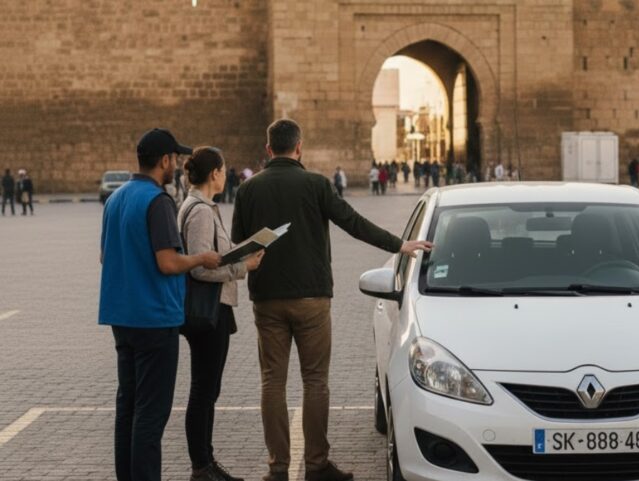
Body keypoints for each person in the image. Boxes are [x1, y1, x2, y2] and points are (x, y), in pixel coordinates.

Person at [231, 119, 432, 481]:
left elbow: (238, 242)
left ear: (268, 149)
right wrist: (399, 245)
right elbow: (352, 222)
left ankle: (277, 468)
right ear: (299, 147)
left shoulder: (248, 190)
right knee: (315, 381)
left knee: (272, 382)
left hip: (267, 299)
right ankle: (316, 464)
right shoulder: (315, 184)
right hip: (312, 299)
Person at [99, 128, 220, 481]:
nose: (177, 165)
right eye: (175, 159)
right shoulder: (158, 201)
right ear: (164, 160)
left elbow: (105, 257)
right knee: (151, 415)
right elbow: (168, 262)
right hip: (154, 319)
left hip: (122, 318)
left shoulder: (116, 199)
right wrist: (200, 258)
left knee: (128, 409)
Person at [179, 147, 265, 481]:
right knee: (204, 390)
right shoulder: (200, 210)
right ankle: (202, 465)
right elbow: (200, 268)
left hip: (213, 309)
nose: (226, 174)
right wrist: (243, 267)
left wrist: (241, 249)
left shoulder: (197, 206)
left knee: (207, 389)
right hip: (208, 310)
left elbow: (213, 254)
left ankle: (206, 462)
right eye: (224, 169)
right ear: (214, 173)